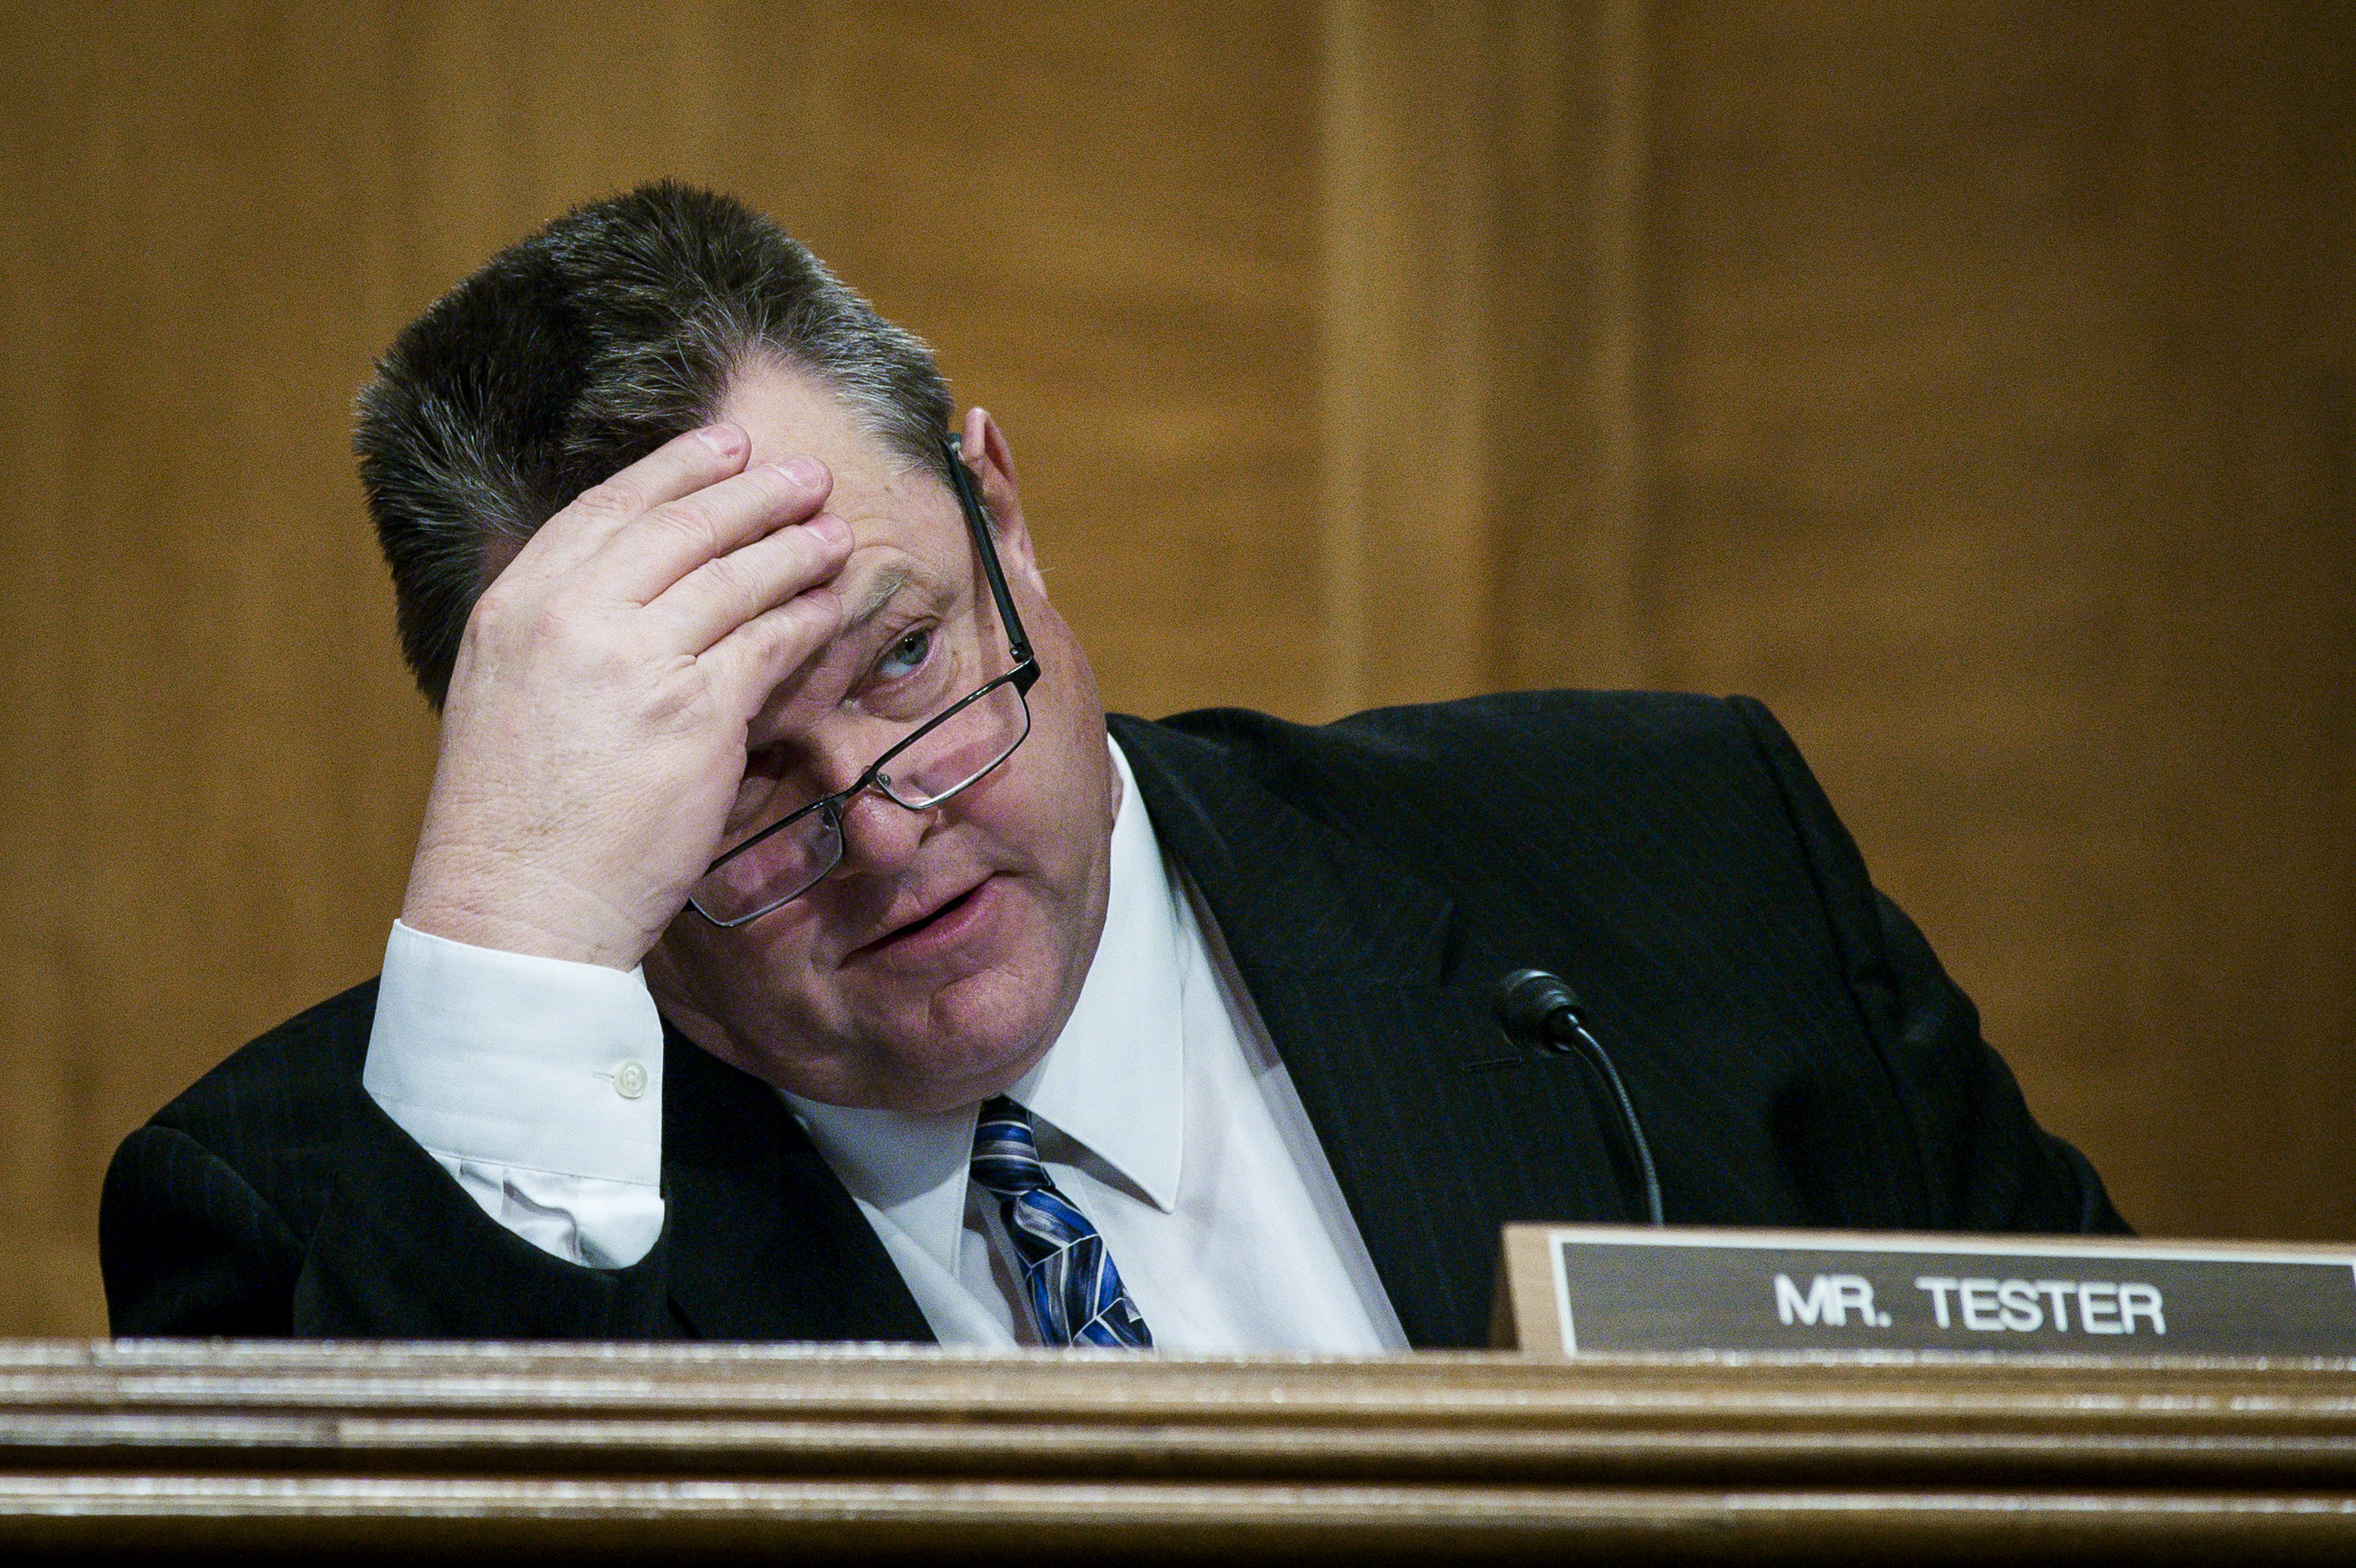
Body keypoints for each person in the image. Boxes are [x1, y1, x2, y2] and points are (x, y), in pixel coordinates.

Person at [101, 182, 2126, 1350]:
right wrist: (517, 960)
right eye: (733, 779)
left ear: (1002, 514)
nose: (888, 826)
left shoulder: (1678, 870)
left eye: (907, 657)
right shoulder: (302, 1227)